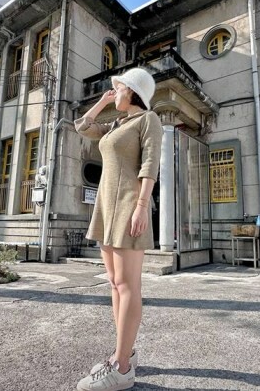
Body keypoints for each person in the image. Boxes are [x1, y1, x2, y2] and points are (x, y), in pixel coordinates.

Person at [74, 67, 163, 391]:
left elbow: (150, 164)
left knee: (128, 286)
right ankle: (123, 353)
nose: (115, 93)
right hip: (106, 209)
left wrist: (141, 205)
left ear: (133, 91)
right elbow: (82, 126)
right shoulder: (116, 124)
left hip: (128, 205)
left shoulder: (148, 120)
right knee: (114, 283)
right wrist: (102, 102)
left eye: (119, 88)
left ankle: (122, 369)